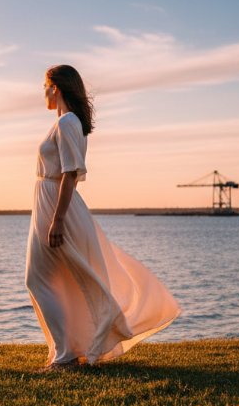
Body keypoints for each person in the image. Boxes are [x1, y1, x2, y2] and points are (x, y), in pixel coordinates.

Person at [26, 64, 181, 371]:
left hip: (57, 207)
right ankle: (66, 351)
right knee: (54, 280)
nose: (42, 92)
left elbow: (71, 174)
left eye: (45, 85)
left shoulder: (68, 122)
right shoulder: (63, 123)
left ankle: (66, 356)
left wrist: (57, 220)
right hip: (48, 203)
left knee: (38, 278)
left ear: (56, 87)